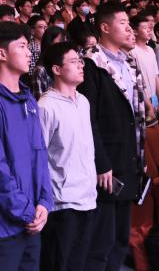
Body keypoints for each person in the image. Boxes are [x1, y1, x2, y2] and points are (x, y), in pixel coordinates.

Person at [0, 21, 53, 271]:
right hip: (1, 228)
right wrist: (27, 212)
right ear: (2, 54)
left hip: (31, 221)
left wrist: (44, 202)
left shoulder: (29, 99)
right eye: (22, 46)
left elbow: (40, 155)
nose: (29, 53)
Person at [77, 1, 146, 271]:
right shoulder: (91, 65)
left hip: (129, 156)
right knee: (102, 240)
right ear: (105, 28)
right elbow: (88, 118)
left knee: (120, 236)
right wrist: (101, 163)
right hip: (107, 163)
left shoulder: (129, 62)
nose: (129, 29)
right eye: (123, 23)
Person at [38, 42, 98, 271]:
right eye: (73, 62)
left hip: (87, 196)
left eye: (80, 61)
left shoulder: (83, 101)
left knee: (79, 263)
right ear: (56, 69)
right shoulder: (46, 106)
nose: (81, 65)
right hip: (62, 202)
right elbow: (39, 156)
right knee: (59, 264)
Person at [130, 14, 159, 124]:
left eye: (149, 28)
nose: (149, 30)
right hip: (142, 99)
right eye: (145, 28)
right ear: (135, 32)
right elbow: (136, 81)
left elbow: (156, 75)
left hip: (154, 98)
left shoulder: (150, 50)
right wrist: (148, 105)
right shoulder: (132, 51)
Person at [30, 26, 67, 99]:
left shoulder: (65, 66)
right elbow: (40, 101)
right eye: (60, 42)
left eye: (65, 43)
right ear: (49, 43)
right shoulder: (40, 70)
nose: (64, 46)